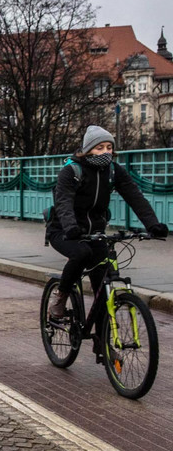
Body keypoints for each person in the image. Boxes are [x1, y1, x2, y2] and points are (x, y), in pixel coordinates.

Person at [47, 126, 167, 336]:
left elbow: (135, 197)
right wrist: (71, 227)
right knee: (81, 253)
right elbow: (63, 201)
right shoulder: (71, 171)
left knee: (103, 283)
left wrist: (153, 225)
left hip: (97, 233)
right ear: (87, 150)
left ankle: (103, 345)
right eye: (99, 147)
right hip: (64, 231)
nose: (106, 152)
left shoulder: (114, 170)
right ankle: (61, 296)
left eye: (109, 147)